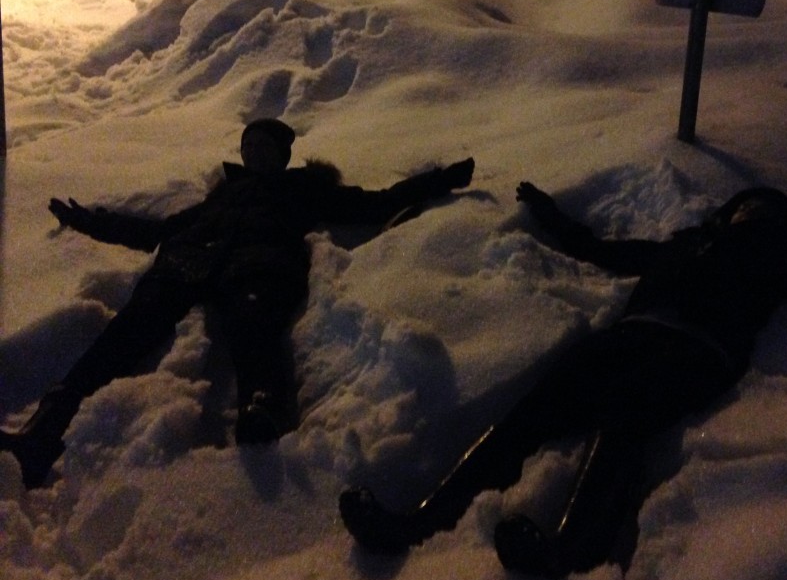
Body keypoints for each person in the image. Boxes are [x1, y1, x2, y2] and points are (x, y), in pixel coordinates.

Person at [338, 182, 787, 578]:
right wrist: (548, 216)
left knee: (626, 418)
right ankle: (419, 520)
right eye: (753, 208)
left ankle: (576, 543)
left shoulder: (785, 263)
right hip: (631, 335)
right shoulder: (686, 246)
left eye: (771, 215)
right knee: (530, 413)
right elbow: (601, 250)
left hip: (696, 349)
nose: (757, 218)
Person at [0, 118, 475, 490]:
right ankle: (47, 427)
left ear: (283, 155)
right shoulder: (221, 197)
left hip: (259, 265)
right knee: (124, 333)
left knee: (253, 322)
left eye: (264, 146)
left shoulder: (303, 188)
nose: (254, 153)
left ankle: (261, 409)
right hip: (186, 264)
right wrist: (89, 222)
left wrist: (438, 181)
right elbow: (157, 232)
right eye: (248, 146)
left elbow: (376, 204)